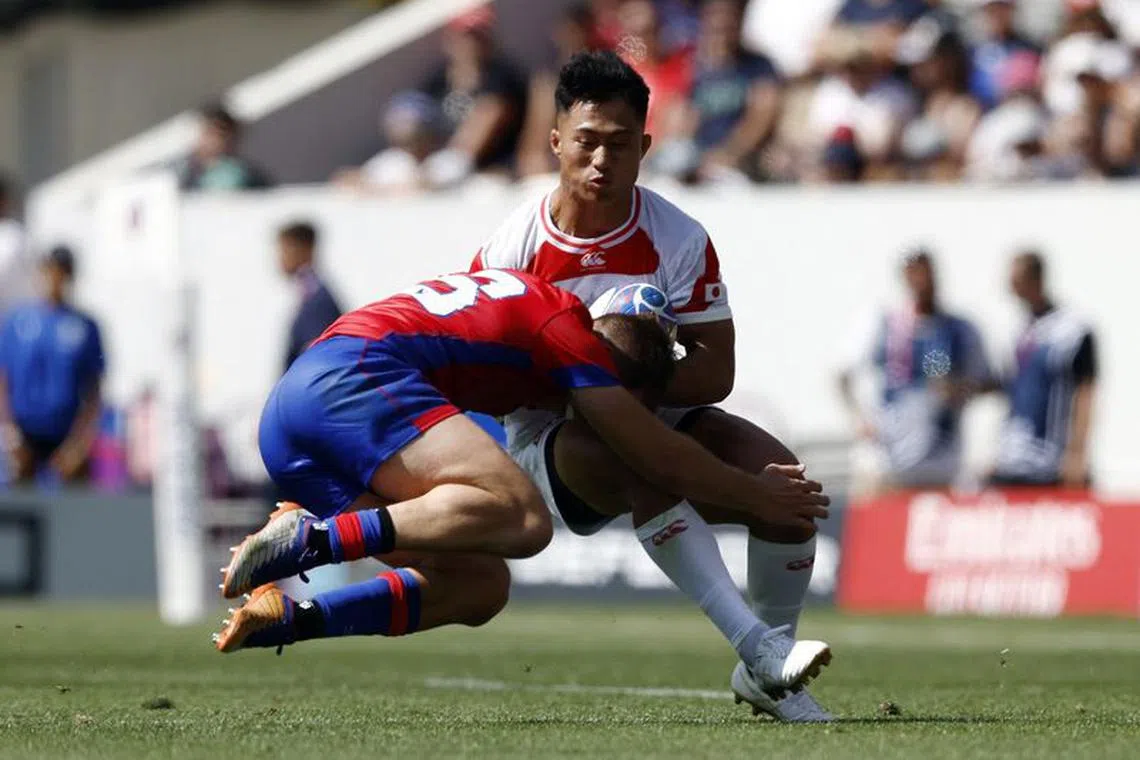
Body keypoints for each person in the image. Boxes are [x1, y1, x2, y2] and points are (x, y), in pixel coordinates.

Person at [215, 271, 832, 703]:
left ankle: (289, 620)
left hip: (297, 416)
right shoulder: (573, 333)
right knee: (523, 519)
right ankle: (315, 538)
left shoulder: (537, 305)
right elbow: (657, 455)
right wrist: (757, 495)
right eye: (621, 394)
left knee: (479, 585)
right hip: (353, 376)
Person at [469, 50, 832, 722]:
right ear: (556, 143)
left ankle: (768, 674)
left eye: (619, 144)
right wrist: (595, 386)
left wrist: (637, 376)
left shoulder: (679, 236)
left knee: (788, 488)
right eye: (585, 143)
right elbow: (489, 382)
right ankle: (756, 647)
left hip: (659, 412)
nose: (600, 161)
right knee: (641, 464)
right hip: (553, 437)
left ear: (646, 146)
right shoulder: (512, 249)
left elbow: (715, 371)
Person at [837, 250, 991, 493]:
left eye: (927, 275)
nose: (922, 283)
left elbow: (987, 381)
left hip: (941, 463)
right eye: (914, 275)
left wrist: (960, 390)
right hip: (889, 460)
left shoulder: (958, 329)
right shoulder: (883, 323)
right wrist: (859, 419)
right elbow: (842, 374)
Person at [990, 251, 1097, 487]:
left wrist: (1077, 453)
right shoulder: (1019, 329)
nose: (1012, 289)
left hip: (1051, 464)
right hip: (1013, 461)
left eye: (1017, 282)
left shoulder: (1071, 330)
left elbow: (1086, 391)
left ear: (1035, 279)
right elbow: (1011, 390)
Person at [0, 246, 104, 484]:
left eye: (62, 273)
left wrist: (79, 444)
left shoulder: (84, 326)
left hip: (66, 432)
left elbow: (94, 390)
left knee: (75, 497)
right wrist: (10, 435)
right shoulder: (18, 321)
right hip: (24, 431)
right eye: (50, 271)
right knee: (19, 499)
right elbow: (3, 381)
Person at [658, 0, 782, 184]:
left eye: (729, 18)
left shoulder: (759, 66)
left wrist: (729, 153)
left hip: (739, 160)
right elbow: (676, 117)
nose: (722, 25)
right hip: (693, 158)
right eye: (716, 18)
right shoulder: (689, 66)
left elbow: (763, 113)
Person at [416, 7, 528, 187]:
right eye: (466, 36)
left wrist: (429, 175)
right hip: (436, 162)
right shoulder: (438, 79)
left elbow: (475, 139)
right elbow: (414, 122)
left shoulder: (502, 76)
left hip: (489, 171)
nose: (473, 43)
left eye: (479, 35)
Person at [275, 222, 343, 372]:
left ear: (305, 250)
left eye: (285, 250)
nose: (280, 259)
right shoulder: (308, 294)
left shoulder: (318, 301)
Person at [174, 103, 271, 192]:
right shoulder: (185, 169)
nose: (207, 139)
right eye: (206, 133)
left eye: (216, 134)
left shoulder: (232, 175)